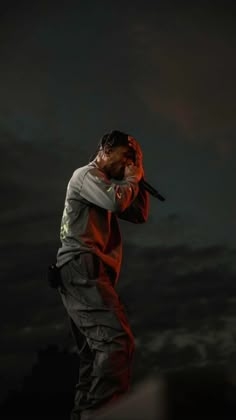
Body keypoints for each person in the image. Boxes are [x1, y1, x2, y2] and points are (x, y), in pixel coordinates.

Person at [56, 130, 150, 420]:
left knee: (94, 354)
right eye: (125, 158)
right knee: (117, 343)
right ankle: (101, 413)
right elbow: (117, 202)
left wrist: (138, 175)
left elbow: (138, 214)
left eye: (133, 160)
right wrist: (132, 179)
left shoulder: (110, 183)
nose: (128, 165)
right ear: (106, 151)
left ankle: (84, 412)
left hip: (88, 272)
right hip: (82, 266)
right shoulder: (86, 176)